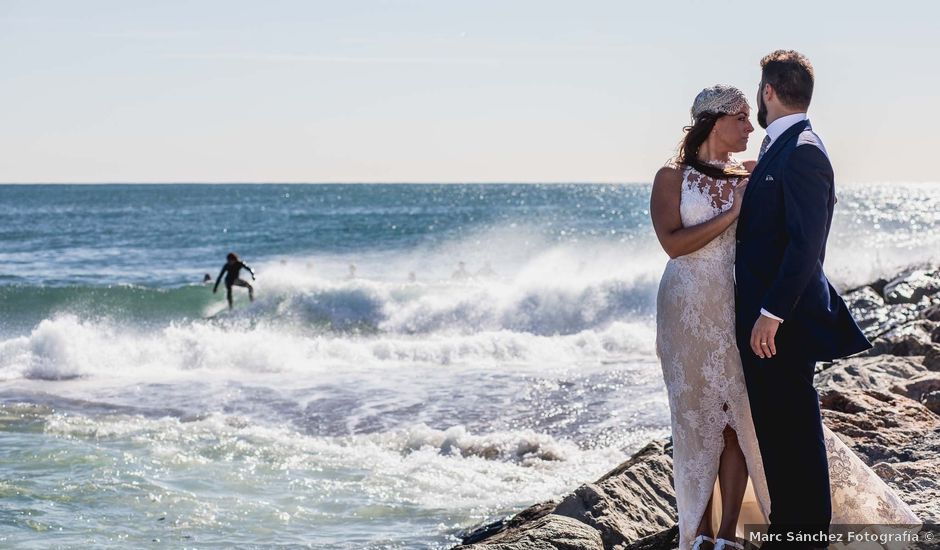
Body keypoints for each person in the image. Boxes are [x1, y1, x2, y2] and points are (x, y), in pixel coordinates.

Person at [652, 75, 917, 550]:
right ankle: (696, 529)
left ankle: (730, 532)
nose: (749, 127)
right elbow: (672, 245)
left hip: (737, 307)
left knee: (738, 418)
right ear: (714, 121)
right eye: (738, 119)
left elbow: (791, 225)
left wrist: (776, 303)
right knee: (695, 419)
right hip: (686, 308)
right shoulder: (670, 176)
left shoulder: (752, 170)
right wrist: (729, 215)